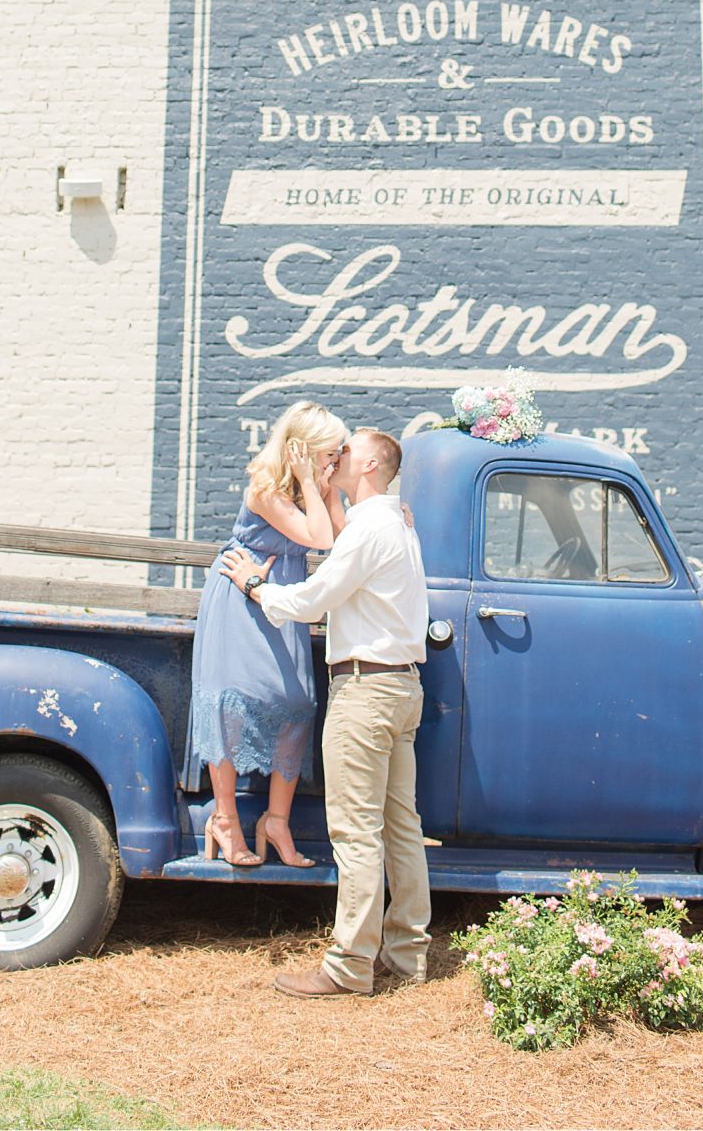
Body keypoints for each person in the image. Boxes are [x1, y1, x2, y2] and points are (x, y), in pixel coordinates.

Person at [222, 427, 431, 996]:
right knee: (400, 828)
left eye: (346, 451)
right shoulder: (395, 524)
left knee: (357, 831)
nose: (336, 457)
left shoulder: (371, 529)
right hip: (402, 688)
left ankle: (348, 967)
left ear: (368, 464)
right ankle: (407, 954)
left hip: (364, 691)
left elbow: (313, 600)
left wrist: (256, 587)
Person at [187, 400, 348, 867]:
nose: (333, 461)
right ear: (301, 450)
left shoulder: (315, 487)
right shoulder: (265, 487)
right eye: (327, 453)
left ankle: (276, 822)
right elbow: (316, 539)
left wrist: (328, 485)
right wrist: (308, 483)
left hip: (282, 597)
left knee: (296, 704)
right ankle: (225, 818)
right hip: (242, 595)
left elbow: (337, 536)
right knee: (231, 703)